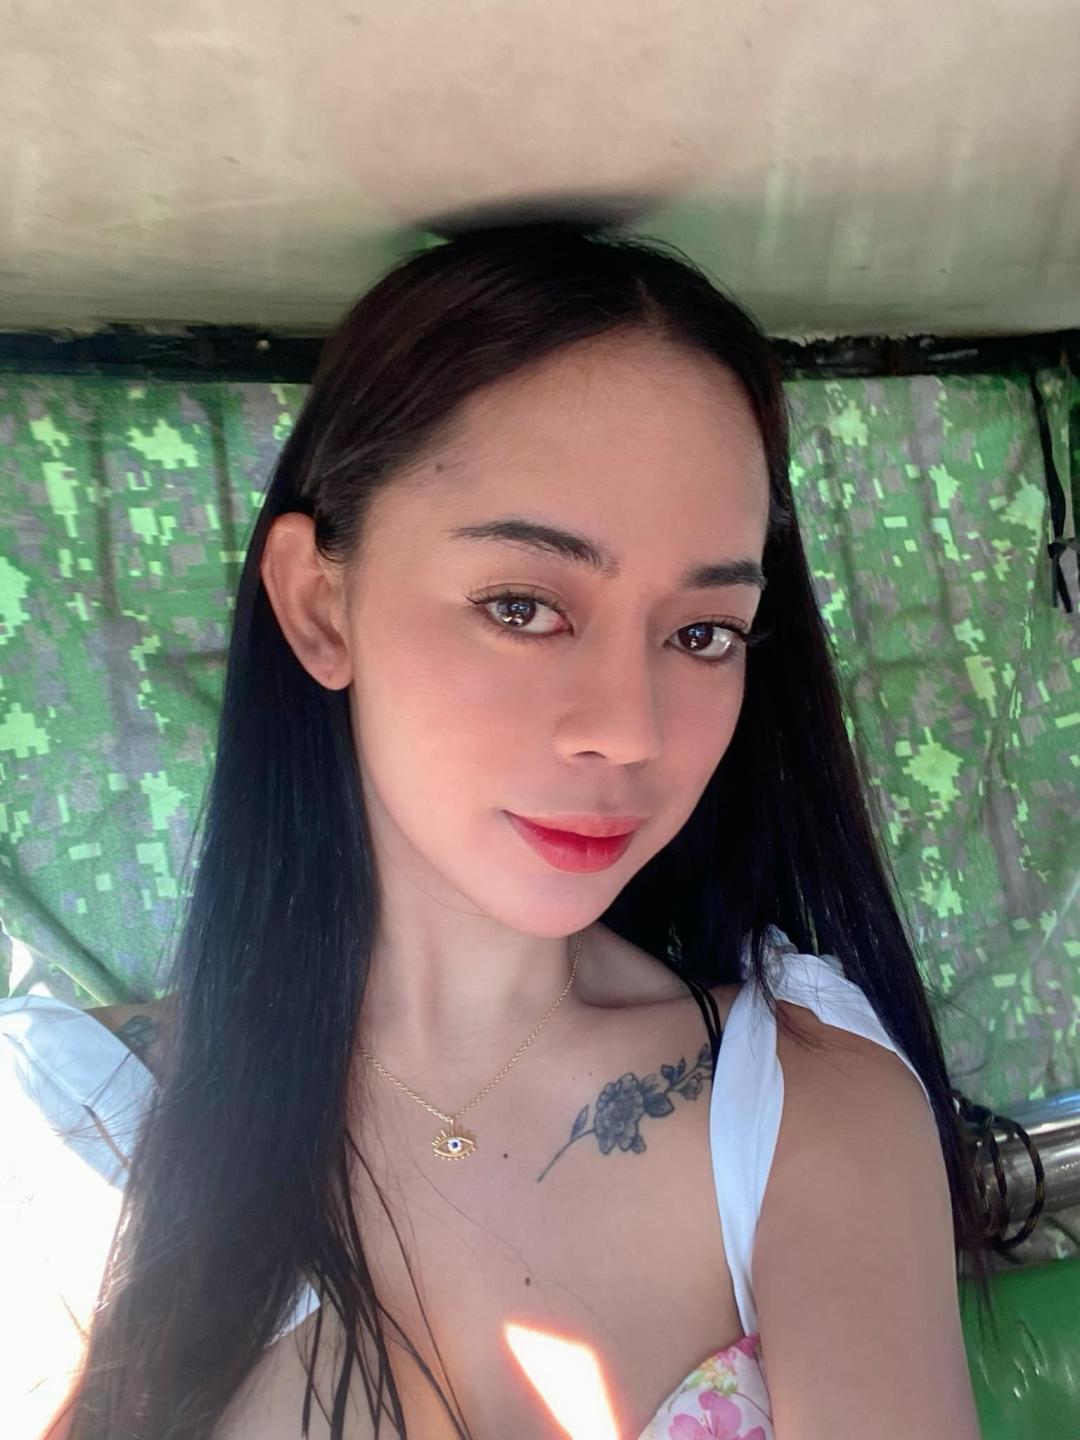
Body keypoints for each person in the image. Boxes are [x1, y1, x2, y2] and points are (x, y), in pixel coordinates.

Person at [0, 222, 994, 1440]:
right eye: (522, 605)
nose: (626, 730)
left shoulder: (803, 1107)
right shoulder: (69, 1134)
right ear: (321, 606)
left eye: (703, 633)